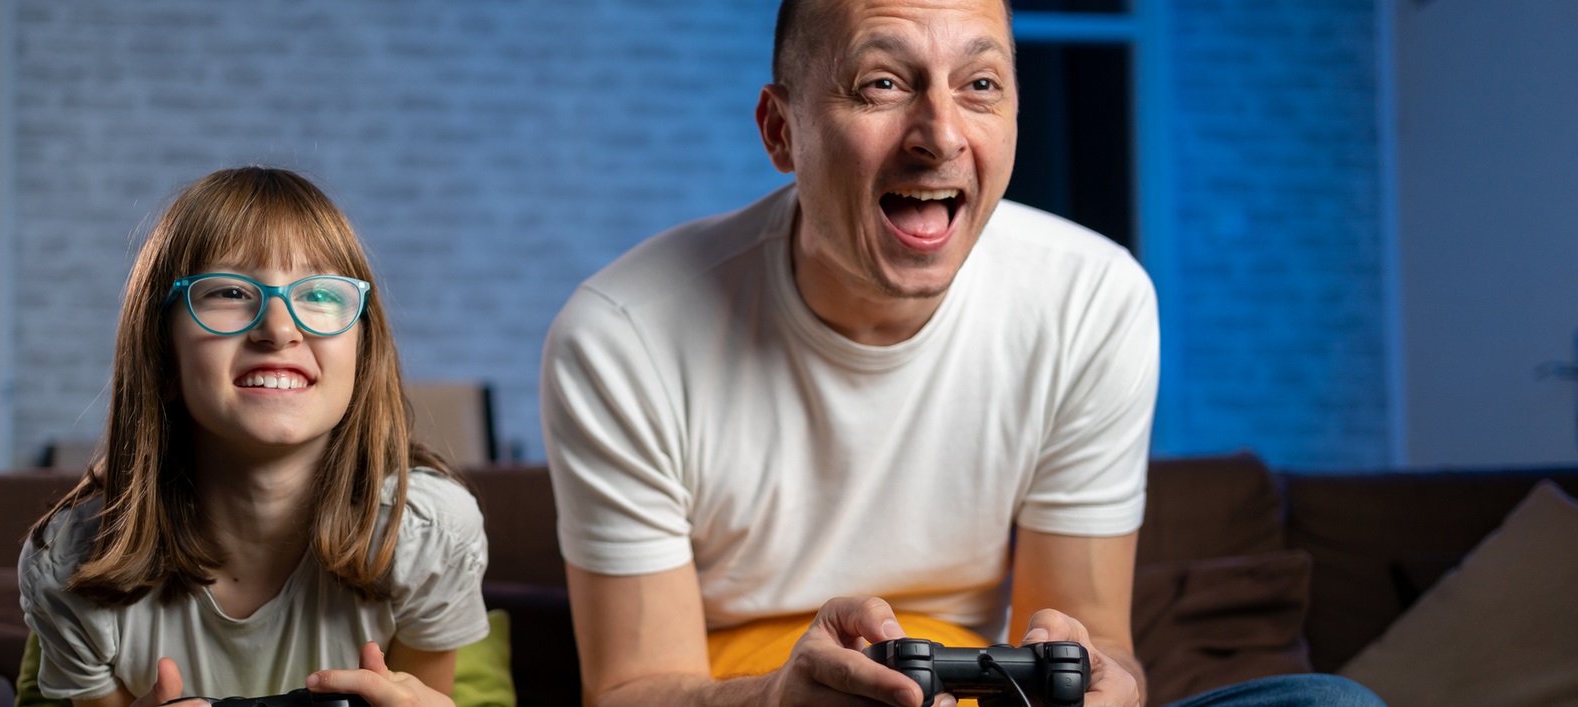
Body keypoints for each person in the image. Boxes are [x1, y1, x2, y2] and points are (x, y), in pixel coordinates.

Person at [539, 1, 1381, 706]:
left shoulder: (1092, 299)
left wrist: (1105, 683)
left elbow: (1094, 635)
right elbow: (633, 688)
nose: (939, 135)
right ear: (780, 129)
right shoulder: (623, 336)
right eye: (883, 83)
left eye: (980, 85)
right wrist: (776, 697)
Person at [20, 166, 489, 707]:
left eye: (319, 293)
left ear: (361, 355)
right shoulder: (68, 565)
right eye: (229, 291)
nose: (279, 328)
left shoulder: (430, 535)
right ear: (161, 356)